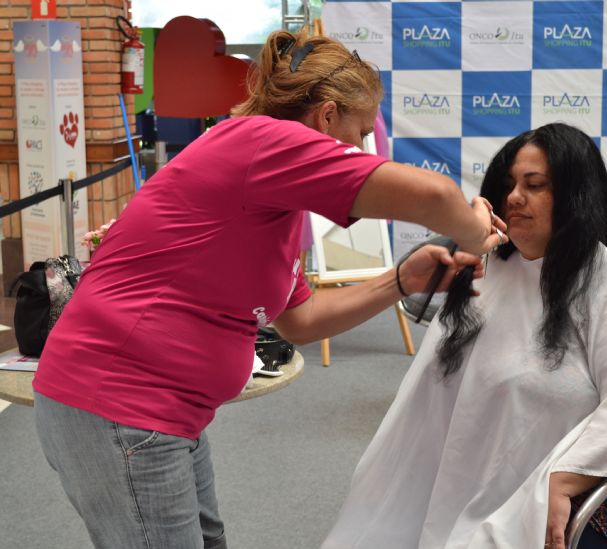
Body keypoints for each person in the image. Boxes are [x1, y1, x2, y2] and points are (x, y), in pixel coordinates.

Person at [32, 30, 507, 549]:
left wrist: (402, 279)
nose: (362, 148)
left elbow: (300, 320)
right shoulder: (263, 143)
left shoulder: (267, 187)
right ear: (326, 117)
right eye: (361, 131)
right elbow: (436, 194)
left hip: (164, 412)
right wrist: (474, 230)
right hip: (120, 403)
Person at [322, 123, 607, 549]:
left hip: (553, 496)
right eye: (509, 184)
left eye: (534, 185)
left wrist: (565, 478)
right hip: (451, 491)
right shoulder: (483, 272)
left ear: (575, 196)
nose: (514, 197)